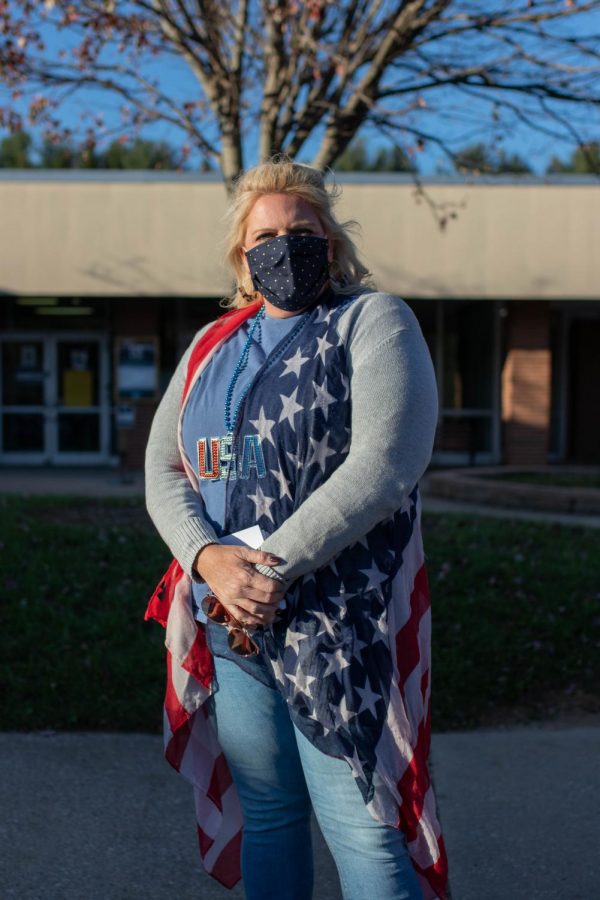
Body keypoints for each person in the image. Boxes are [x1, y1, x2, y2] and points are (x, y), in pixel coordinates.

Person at [145, 157, 448, 900]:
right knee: (272, 814)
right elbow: (163, 470)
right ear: (243, 257)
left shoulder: (372, 321)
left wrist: (266, 568)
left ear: (333, 244)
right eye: (266, 235)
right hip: (233, 621)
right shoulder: (212, 347)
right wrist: (208, 558)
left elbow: (385, 464)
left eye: (301, 230)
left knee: (365, 829)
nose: (284, 246)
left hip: (339, 620)